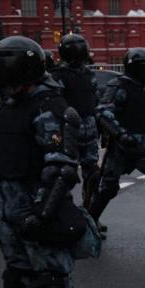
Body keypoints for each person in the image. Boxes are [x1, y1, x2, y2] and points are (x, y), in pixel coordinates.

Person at [0, 36, 96, 288]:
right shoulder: (9, 104)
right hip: (10, 213)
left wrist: (41, 213)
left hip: (38, 212)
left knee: (53, 286)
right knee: (18, 282)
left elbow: (63, 166)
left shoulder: (49, 106)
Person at [88, 48, 145, 240]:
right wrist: (120, 134)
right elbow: (102, 112)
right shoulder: (119, 86)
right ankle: (91, 222)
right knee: (108, 187)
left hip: (143, 142)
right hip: (120, 145)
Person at [49, 34, 100, 209]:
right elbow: (55, 103)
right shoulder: (57, 76)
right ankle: (64, 212)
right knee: (64, 175)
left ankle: (89, 211)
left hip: (90, 130)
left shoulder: (88, 74)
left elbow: (95, 101)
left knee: (92, 173)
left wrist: (101, 125)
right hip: (68, 132)